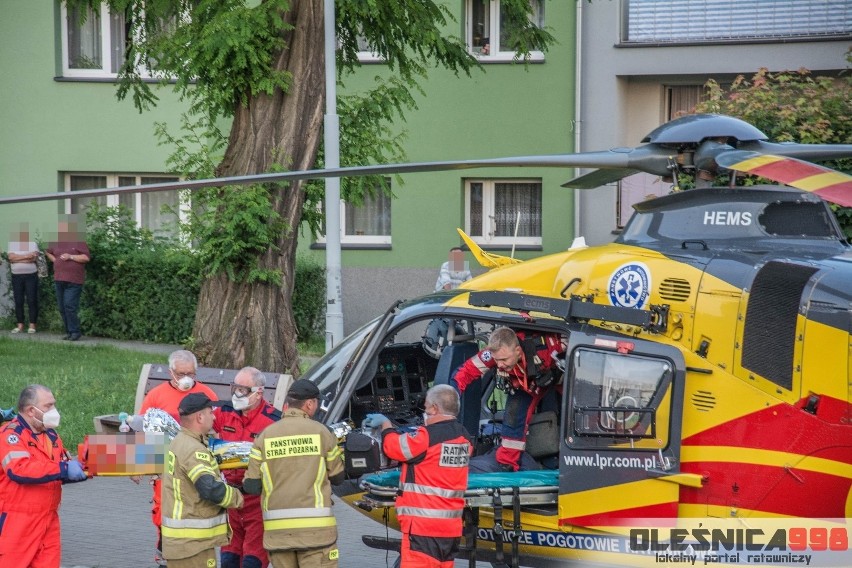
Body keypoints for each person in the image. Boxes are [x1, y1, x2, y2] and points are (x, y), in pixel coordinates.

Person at [363, 384, 472, 568]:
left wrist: (386, 425)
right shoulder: (464, 438)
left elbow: (394, 448)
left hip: (423, 529)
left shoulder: (426, 437)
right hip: (450, 529)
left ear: (435, 408)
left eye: (426, 406)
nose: (425, 411)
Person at [242, 379, 345, 567]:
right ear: (309, 404)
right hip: (316, 535)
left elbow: (252, 486)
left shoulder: (264, 436)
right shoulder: (322, 433)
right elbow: (338, 477)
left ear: (287, 404)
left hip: (278, 535)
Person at [136, 349, 218, 566]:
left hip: (195, 464)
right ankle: (165, 551)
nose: (186, 379)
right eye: (181, 374)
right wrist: (136, 466)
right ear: (171, 372)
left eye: (190, 374)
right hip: (165, 465)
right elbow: (143, 431)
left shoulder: (206, 394)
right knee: (163, 511)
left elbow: (216, 430)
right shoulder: (156, 395)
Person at [452, 326, 564, 472]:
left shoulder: (547, 348)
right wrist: (450, 396)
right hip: (526, 386)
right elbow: (464, 372)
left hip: (558, 379)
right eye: (496, 360)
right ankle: (507, 464)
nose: (499, 365)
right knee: (513, 417)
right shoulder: (494, 353)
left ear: (517, 351)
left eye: (504, 360)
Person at [0, 384, 88, 567]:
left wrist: (85, 468)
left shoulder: (51, 436)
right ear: (32, 410)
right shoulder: (10, 436)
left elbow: (58, 468)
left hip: (48, 520)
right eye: (49, 406)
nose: (54, 410)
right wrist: (64, 469)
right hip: (16, 522)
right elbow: (20, 469)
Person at [162, 393, 244, 567]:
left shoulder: (179, 441)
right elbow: (210, 488)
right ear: (200, 417)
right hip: (192, 545)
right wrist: (238, 495)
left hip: (181, 543)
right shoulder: (193, 450)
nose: (214, 417)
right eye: (210, 412)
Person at [213, 367, 281, 568]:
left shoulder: (274, 421)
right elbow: (195, 423)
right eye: (235, 388)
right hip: (231, 499)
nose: (237, 394)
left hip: (258, 501)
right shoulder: (224, 412)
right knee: (229, 561)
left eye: (243, 389)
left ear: (258, 392)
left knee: (253, 562)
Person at [45, 215, 90, 341]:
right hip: (59, 278)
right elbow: (47, 251)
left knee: (69, 305)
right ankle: (69, 332)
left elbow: (86, 258)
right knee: (62, 307)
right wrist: (55, 260)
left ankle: (75, 332)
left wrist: (71, 257)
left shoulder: (78, 241)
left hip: (74, 280)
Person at [6, 224, 40, 334]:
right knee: (18, 300)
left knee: (32, 300)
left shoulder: (33, 244)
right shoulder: (12, 244)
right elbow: (11, 258)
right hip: (16, 276)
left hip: (31, 276)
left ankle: (32, 325)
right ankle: (20, 325)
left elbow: (34, 258)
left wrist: (18, 258)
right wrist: (27, 257)